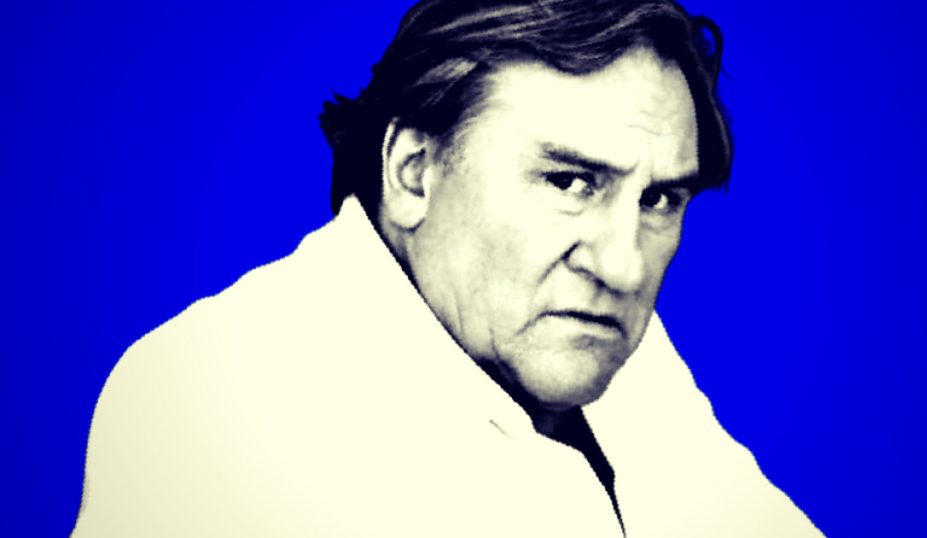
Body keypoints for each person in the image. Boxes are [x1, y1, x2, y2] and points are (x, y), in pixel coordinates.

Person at [74, 0, 823, 536]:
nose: (625, 268)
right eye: (569, 181)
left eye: (659, 199)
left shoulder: (590, 337)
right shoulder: (212, 402)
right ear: (413, 173)